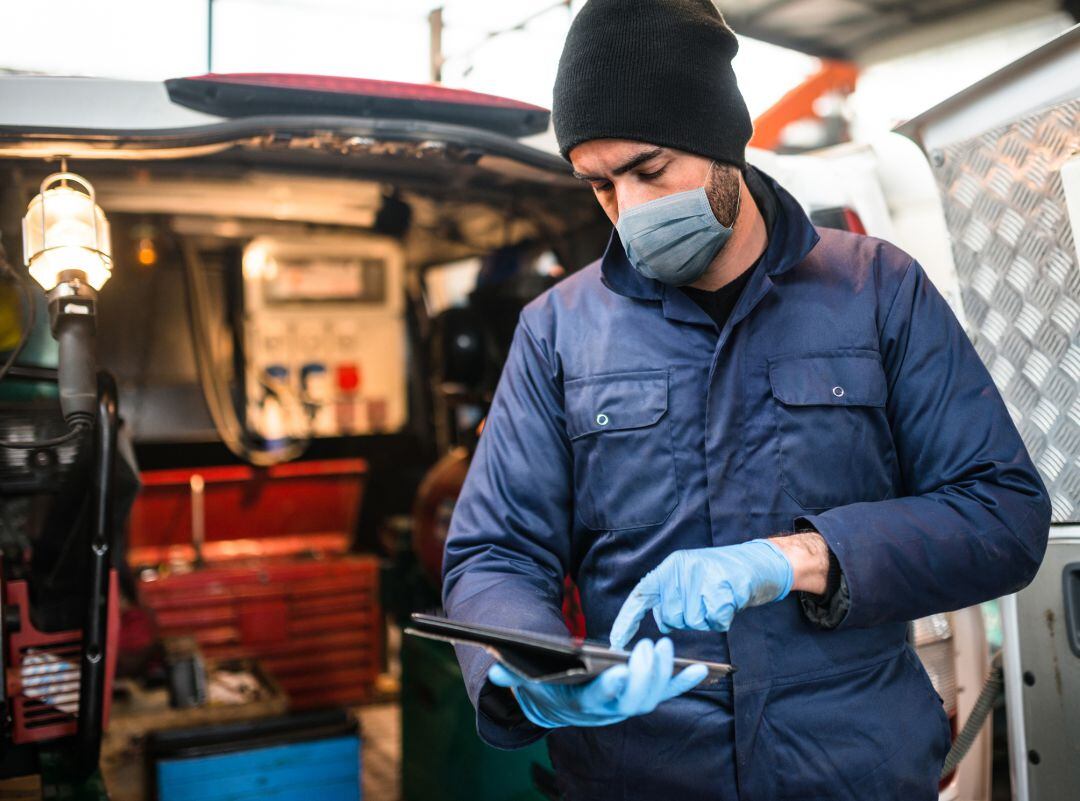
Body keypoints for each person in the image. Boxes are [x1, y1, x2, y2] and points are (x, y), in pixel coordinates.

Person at [441, 1, 1051, 799]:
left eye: (650, 171)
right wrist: (529, 666)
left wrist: (797, 558)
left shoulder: (877, 291)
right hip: (642, 774)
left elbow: (1000, 514)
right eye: (599, 185)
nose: (627, 210)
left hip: (850, 770)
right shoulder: (559, 331)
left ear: (723, 140)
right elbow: (494, 552)